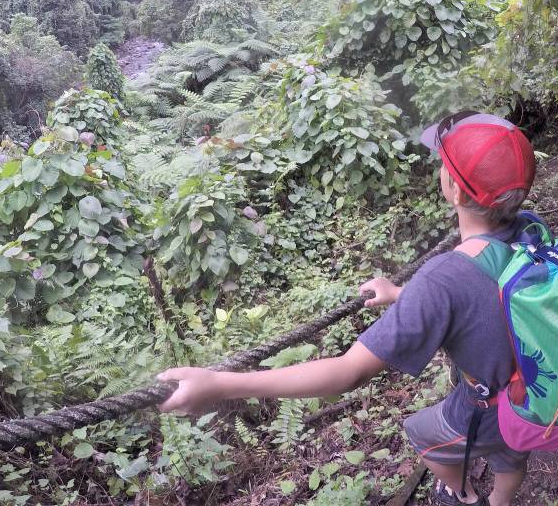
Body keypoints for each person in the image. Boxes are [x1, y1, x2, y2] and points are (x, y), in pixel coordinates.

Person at [157, 111, 537, 506]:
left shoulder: (443, 279)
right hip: (538, 388)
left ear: (456, 192)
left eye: (444, 165)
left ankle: (463, 494)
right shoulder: (531, 230)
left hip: (490, 404)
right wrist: (400, 293)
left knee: (423, 434)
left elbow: (347, 372)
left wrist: (219, 384)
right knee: (512, 451)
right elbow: (481, 288)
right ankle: (502, 500)